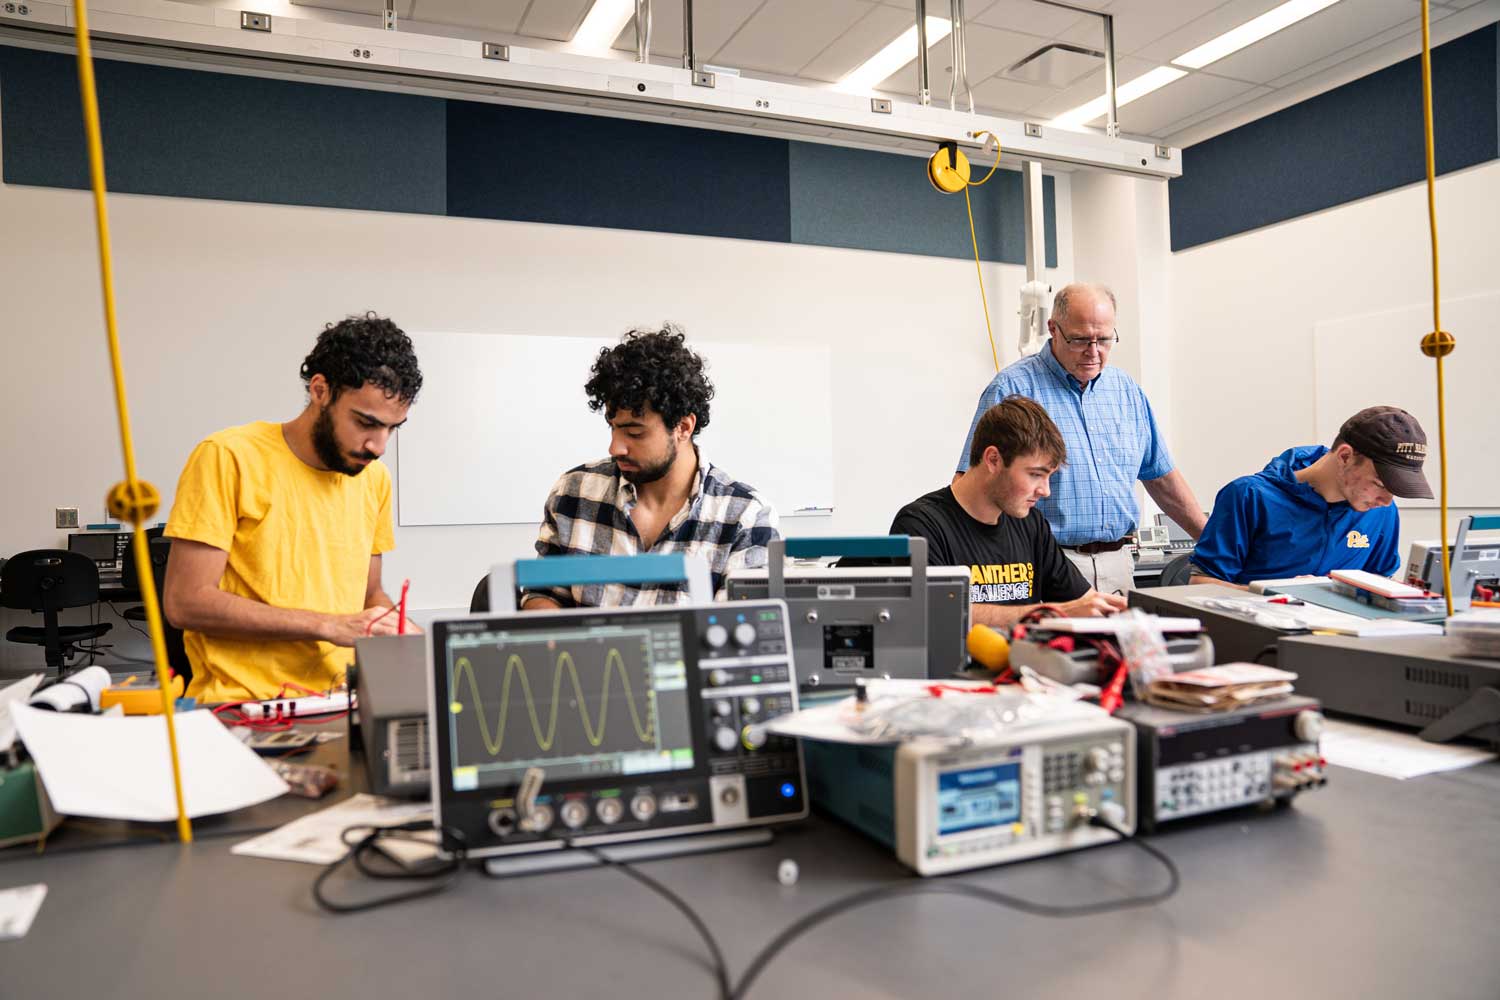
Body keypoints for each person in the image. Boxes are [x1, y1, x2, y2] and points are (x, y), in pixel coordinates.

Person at [162, 314, 422, 702]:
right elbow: (185, 601)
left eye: (392, 428)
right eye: (366, 422)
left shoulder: (373, 479)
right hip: (243, 705)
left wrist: (391, 625)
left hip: (343, 699)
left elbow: (370, 594)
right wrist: (327, 625)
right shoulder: (228, 457)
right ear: (320, 390)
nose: (378, 446)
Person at [955, 283, 1204, 596]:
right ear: (1053, 329)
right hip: (1043, 562)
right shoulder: (1012, 388)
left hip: (1118, 564)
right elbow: (972, 482)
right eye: (1081, 340)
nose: (1094, 351)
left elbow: (1162, 477)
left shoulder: (1125, 390)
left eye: (1104, 339)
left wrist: (1212, 542)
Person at [521, 325, 778, 609]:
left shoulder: (746, 517)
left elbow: (736, 636)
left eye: (634, 433)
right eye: (613, 428)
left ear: (683, 427)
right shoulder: (573, 492)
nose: (615, 447)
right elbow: (543, 593)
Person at [894, 396, 1126, 626]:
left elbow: (1080, 602)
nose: (1045, 491)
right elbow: (934, 613)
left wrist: (1123, 614)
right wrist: (1050, 612)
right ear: (993, 459)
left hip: (1024, 662)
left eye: (1049, 477)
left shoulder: (1031, 524)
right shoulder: (920, 525)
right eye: (1035, 474)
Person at [1189, 406, 1432, 588]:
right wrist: (1279, 595)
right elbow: (1201, 585)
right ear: (1345, 456)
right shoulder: (1249, 496)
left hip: (1346, 644)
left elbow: (1380, 582)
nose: (1386, 501)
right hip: (1263, 643)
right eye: (1379, 484)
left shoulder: (1381, 512)